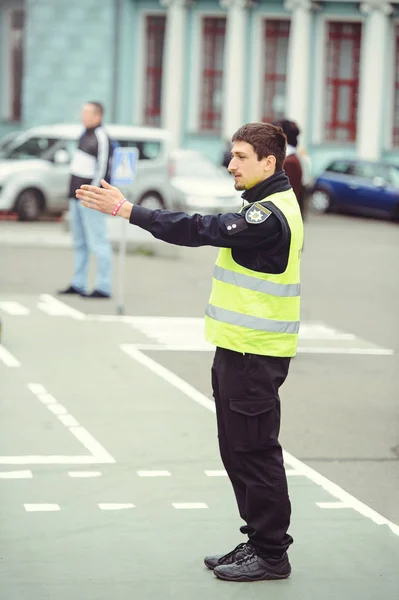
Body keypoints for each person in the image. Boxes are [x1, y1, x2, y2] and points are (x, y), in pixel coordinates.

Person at [76, 122, 303, 583]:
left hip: (255, 355)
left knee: (255, 451)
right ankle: (258, 541)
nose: (230, 164)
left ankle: (271, 553)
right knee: (237, 449)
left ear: (268, 163)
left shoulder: (270, 215)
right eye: (232, 155)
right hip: (238, 350)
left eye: (240, 156)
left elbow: (198, 229)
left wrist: (127, 210)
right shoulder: (260, 203)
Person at [58, 101, 114, 298]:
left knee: (98, 241)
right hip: (76, 196)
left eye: (87, 112)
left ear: (98, 116)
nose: (83, 116)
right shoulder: (83, 134)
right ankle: (78, 282)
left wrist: (94, 193)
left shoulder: (101, 136)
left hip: (90, 198)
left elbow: (102, 167)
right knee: (79, 241)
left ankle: (103, 286)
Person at [273, 119, 305, 216]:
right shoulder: (290, 159)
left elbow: (289, 191)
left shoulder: (290, 161)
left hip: (285, 212)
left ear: (284, 137)